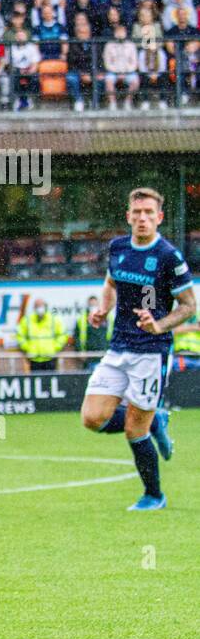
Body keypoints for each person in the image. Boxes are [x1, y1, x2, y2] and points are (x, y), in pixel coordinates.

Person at [80, 188, 196, 511]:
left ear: (159, 218)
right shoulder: (118, 248)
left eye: (149, 213)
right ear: (128, 216)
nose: (142, 218)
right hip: (119, 348)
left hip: (151, 351)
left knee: (134, 430)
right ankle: (155, 420)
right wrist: (102, 310)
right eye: (137, 213)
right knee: (92, 418)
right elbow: (111, 283)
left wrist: (159, 325)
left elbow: (189, 306)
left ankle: (154, 495)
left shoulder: (168, 256)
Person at [15, 298, 66, 371]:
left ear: (45, 306)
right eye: (37, 306)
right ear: (34, 308)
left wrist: (55, 347)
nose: (40, 308)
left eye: (41, 306)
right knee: (35, 381)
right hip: (34, 358)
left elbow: (62, 335)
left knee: (50, 380)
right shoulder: (27, 320)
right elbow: (20, 335)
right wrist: (27, 347)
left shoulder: (53, 319)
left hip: (50, 357)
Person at [74, 295, 111, 368]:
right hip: (89, 355)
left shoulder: (107, 318)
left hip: (104, 354)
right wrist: (80, 352)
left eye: (95, 304)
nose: (93, 307)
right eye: (91, 305)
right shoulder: (82, 319)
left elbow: (112, 335)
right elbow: (77, 337)